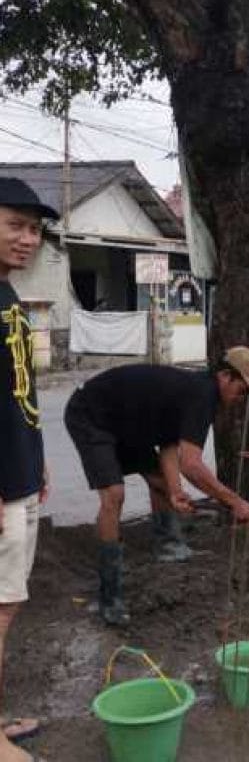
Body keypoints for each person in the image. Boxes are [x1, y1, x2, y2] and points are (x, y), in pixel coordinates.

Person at [64, 347, 249, 625]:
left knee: (159, 481)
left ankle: (169, 545)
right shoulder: (203, 395)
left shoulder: (199, 393)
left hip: (126, 423)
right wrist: (235, 502)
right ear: (224, 376)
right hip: (91, 415)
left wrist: (174, 488)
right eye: (242, 391)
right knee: (114, 495)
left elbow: (169, 442)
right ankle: (110, 596)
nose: (242, 399)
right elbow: (192, 465)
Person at [0, 177, 59, 761]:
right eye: (14, 224)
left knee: (8, 603)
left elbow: (20, 392)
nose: (27, 238)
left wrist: (36, 462)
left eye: (34, 230)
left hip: (20, 475)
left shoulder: (9, 297)